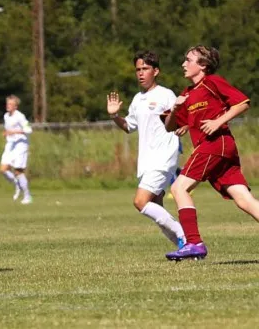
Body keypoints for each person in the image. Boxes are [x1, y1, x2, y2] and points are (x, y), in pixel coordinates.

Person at [163, 45, 259, 261]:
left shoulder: (212, 82)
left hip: (215, 144)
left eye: (189, 60)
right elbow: (169, 126)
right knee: (243, 200)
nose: (183, 64)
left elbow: (242, 103)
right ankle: (194, 244)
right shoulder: (187, 93)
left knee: (179, 187)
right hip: (219, 149)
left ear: (203, 65)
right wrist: (176, 109)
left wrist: (218, 121)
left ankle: (194, 243)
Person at [107, 50, 185, 249]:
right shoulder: (137, 99)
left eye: (145, 68)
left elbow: (181, 119)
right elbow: (128, 127)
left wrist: (183, 127)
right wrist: (115, 116)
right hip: (146, 162)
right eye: (138, 69)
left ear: (156, 71)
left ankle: (186, 238)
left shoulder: (165, 95)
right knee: (156, 207)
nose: (141, 73)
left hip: (163, 159)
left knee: (140, 201)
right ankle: (184, 247)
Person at [0, 95, 33, 204]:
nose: (8, 106)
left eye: (10, 104)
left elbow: (29, 129)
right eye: (7, 103)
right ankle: (17, 184)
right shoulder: (6, 116)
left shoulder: (20, 116)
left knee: (18, 171)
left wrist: (14, 132)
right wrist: (6, 133)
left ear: (15, 106)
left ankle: (27, 196)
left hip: (21, 145)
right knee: (3, 169)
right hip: (10, 144)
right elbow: (8, 130)